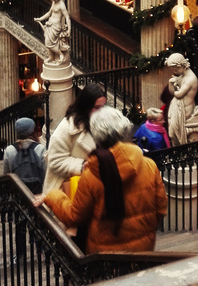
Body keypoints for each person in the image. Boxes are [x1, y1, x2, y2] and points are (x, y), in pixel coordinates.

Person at [35, 106, 168, 254]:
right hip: (143, 252)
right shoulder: (149, 166)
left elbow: (74, 217)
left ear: (97, 136)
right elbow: (161, 209)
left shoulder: (92, 175)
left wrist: (52, 195)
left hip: (105, 259)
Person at [43, 82, 108, 194]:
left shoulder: (101, 124)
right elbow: (54, 161)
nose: (101, 111)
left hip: (93, 189)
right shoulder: (67, 128)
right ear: (86, 106)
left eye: (103, 107)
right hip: (68, 190)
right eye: (97, 107)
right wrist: (82, 166)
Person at [165, 53, 198, 146]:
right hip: (177, 108)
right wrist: (170, 83)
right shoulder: (182, 75)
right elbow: (172, 92)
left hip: (184, 111)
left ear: (181, 66)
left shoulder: (190, 79)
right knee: (172, 134)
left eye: (175, 69)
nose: (174, 72)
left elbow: (178, 94)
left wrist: (175, 86)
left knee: (174, 134)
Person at [3, 118, 47, 195]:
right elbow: (46, 173)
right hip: (38, 195)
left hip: (18, 195)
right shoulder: (40, 148)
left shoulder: (9, 150)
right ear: (33, 131)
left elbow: (6, 176)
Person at [36, 0, 71, 64]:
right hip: (50, 25)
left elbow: (67, 17)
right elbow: (49, 13)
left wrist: (69, 30)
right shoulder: (53, 2)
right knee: (48, 41)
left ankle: (61, 55)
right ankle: (51, 57)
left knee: (48, 43)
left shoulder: (61, 5)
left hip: (56, 26)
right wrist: (40, 18)